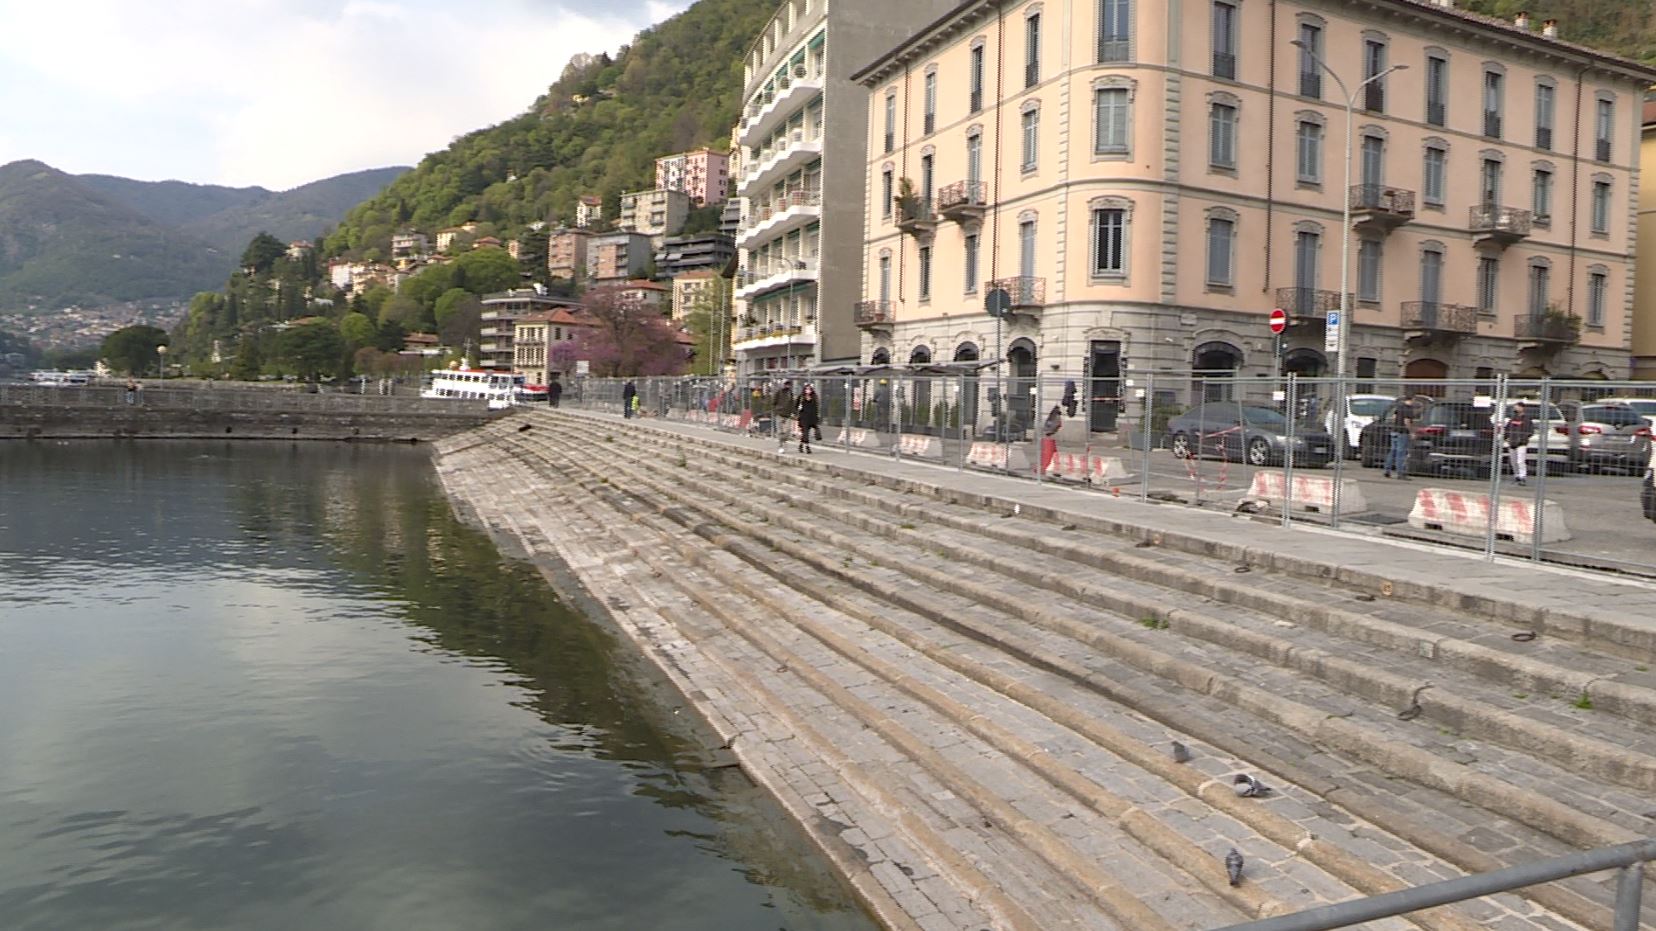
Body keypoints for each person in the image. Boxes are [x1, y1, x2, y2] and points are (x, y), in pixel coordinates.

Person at [1503, 401, 1535, 486]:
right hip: (1512, 443)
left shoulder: (1527, 419)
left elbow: (1530, 431)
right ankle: (1516, 476)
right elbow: (1507, 429)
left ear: (1522, 408)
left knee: (1520, 460)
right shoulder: (1512, 419)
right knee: (1513, 461)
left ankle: (1522, 476)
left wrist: (1522, 439)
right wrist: (1507, 438)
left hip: (1522, 443)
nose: (1515, 409)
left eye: (1517, 407)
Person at [1383, 396, 1416, 479]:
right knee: (1401, 453)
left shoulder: (1399, 406)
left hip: (1395, 431)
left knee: (1393, 451)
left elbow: (1394, 417)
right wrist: (1411, 432)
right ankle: (1400, 473)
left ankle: (1387, 470)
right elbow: (1407, 421)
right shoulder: (1409, 409)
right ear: (1413, 399)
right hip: (1403, 432)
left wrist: (1396, 425)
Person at [771, 380, 796, 453]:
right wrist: (776, 410)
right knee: (780, 431)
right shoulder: (778, 392)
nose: (787, 386)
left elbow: (792, 404)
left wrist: (794, 413)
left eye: (789, 384)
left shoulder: (790, 393)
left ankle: (784, 440)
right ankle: (781, 445)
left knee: (788, 430)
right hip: (779, 414)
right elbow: (773, 403)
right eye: (786, 384)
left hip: (788, 415)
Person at [795, 384, 820, 454]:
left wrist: (816, 418)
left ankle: (801, 445)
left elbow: (816, 408)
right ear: (804, 390)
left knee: (805, 434)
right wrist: (798, 412)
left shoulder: (814, 397)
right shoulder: (801, 397)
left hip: (812, 418)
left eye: (809, 389)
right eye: (806, 389)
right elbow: (796, 406)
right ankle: (807, 447)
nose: (808, 391)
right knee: (805, 432)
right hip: (803, 417)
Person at [1041, 405, 1063, 473]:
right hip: (1051, 433)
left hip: (1050, 433)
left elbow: (1055, 424)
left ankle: (1047, 465)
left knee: (1048, 451)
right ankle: (1049, 465)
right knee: (1049, 451)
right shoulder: (1056, 416)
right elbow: (1058, 424)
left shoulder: (1053, 416)